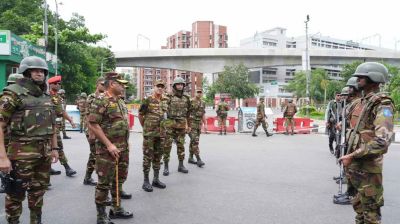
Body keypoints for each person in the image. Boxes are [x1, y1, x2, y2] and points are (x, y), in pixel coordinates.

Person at [0, 56, 59, 223]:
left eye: (42, 71)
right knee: (16, 195)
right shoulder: (12, 94)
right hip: (21, 155)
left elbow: (52, 124)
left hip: (43, 154)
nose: (39, 74)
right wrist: (3, 157)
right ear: (26, 72)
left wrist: (55, 148)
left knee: (38, 193)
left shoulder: (46, 96)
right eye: (35, 70)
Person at [340, 62, 394, 223]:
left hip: (368, 170)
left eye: (362, 77)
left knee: (371, 215)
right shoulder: (361, 102)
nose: (357, 80)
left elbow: (382, 141)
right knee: (359, 211)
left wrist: (353, 155)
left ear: (374, 78)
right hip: (355, 167)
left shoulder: (382, 103)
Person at [88, 72, 133, 223]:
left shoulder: (120, 101)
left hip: (122, 148)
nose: (123, 86)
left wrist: (125, 143)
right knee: (104, 183)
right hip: (107, 150)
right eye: (120, 83)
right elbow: (93, 123)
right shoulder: (101, 100)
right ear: (112, 84)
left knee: (119, 180)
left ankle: (116, 208)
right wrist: (109, 144)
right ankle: (101, 216)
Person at [138, 80, 167, 192]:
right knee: (147, 157)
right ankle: (146, 181)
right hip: (149, 134)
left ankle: (156, 179)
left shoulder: (164, 101)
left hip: (161, 134)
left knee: (158, 156)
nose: (160, 88)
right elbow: (141, 115)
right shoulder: (148, 100)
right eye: (158, 86)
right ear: (154, 87)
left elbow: (165, 116)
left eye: (162, 86)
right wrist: (145, 128)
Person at [48, 75, 77, 177]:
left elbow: (62, 111)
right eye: (56, 83)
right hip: (45, 127)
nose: (58, 85)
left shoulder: (57, 97)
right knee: (45, 148)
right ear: (51, 84)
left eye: (59, 83)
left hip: (53, 126)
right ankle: (46, 170)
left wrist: (70, 121)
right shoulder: (46, 95)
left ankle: (67, 167)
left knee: (58, 146)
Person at [162, 77, 191, 176]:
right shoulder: (168, 96)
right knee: (167, 146)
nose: (180, 86)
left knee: (181, 145)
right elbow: (163, 110)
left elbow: (189, 113)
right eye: (178, 84)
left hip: (182, 124)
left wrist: (189, 125)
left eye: (182, 84)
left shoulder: (186, 97)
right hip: (170, 123)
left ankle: (181, 165)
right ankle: (166, 167)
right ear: (174, 85)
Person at [83, 77, 105, 186]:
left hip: (102, 131)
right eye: (102, 84)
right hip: (92, 130)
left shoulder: (106, 97)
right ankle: (89, 177)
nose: (104, 85)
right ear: (97, 84)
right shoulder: (91, 97)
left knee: (98, 154)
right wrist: (91, 132)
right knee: (94, 154)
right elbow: (87, 116)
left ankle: (89, 177)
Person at [188, 88, 207, 167]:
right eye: (198, 92)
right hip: (191, 124)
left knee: (193, 141)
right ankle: (198, 159)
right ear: (195, 93)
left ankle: (190, 158)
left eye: (200, 92)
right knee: (195, 141)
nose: (199, 94)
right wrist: (186, 125)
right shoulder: (191, 101)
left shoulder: (203, 102)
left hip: (198, 125)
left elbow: (203, 114)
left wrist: (205, 124)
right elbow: (186, 113)